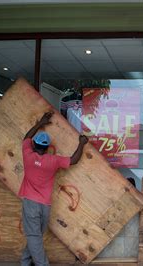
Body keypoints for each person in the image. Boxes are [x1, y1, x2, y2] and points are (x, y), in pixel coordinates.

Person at [18, 111, 88, 266]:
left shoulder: (28, 155)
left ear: (34, 145)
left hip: (30, 203)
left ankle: (36, 263)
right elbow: (73, 160)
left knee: (34, 236)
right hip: (45, 204)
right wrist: (81, 143)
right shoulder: (53, 161)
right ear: (47, 147)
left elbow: (26, 138)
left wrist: (40, 123)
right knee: (35, 236)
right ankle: (26, 261)